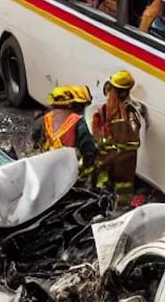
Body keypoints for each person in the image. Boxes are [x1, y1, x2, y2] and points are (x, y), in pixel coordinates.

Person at [92, 71, 142, 207]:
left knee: (102, 185)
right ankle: (119, 207)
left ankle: (101, 203)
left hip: (106, 158)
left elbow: (96, 134)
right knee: (122, 189)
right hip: (124, 161)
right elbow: (134, 136)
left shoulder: (102, 108)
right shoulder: (130, 112)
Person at [32, 85, 97, 184]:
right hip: (67, 176)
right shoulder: (79, 124)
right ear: (71, 105)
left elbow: (35, 142)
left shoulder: (43, 120)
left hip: (45, 170)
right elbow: (89, 152)